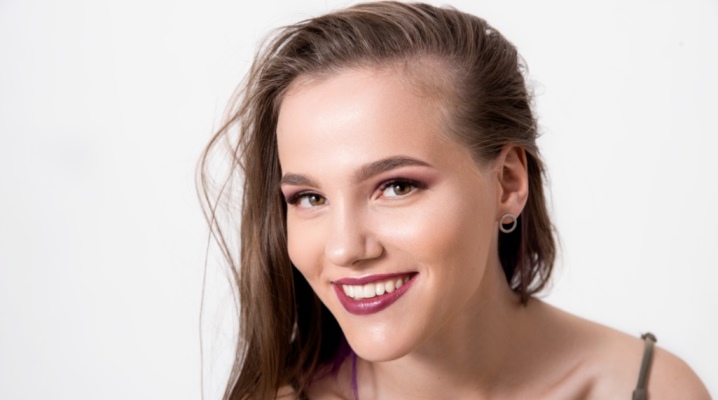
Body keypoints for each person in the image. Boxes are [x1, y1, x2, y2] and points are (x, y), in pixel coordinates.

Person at [199, 2, 710, 399]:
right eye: (310, 197)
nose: (344, 248)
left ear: (507, 182)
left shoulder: (651, 390)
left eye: (396, 186)